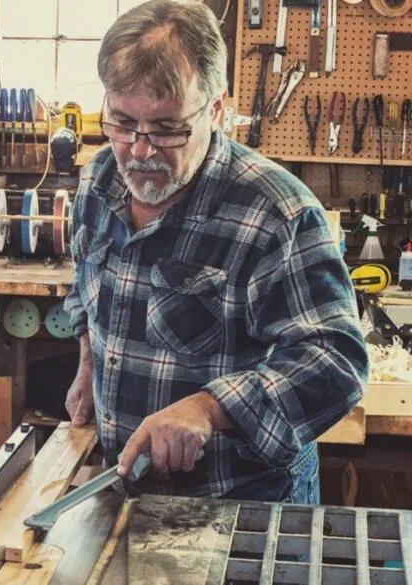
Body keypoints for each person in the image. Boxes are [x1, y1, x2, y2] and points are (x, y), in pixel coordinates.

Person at [63, 0, 368, 504]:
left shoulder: (276, 214)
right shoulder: (99, 180)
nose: (140, 151)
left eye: (166, 129)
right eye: (122, 122)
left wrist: (208, 408)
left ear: (217, 109)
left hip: (242, 502)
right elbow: (87, 286)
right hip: (131, 492)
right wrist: (88, 360)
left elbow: (335, 365)